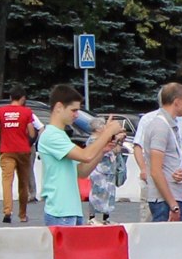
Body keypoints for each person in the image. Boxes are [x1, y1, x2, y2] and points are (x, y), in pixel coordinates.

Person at [37, 85, 123, 227]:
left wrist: (102, 150)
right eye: (74, 110)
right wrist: (107, 133)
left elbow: (82, 171)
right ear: (59, 107)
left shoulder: (60, 135)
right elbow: (86, 155)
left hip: (70, 210)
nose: (76, 115)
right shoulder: (51, 135)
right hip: (60, 211)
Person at [145, 83, 182, 222]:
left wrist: (178, 173)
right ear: (177, 102)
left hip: (170, 197)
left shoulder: (169, 124)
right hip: (164, 201)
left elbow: (165, 164)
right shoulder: (160, 127)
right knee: (167, 242)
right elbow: (155, 170)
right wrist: (173, 205)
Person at [0, 85, 37, 223]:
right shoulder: (26, 112)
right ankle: (22, 215)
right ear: (23, 98)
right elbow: (32, 132)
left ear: (10, 97)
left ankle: (7, 212)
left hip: (6, 150)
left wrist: (4, 140)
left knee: (7, 182)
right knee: (23, 183)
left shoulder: (1, 111)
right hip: (23, 151)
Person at [85, 117, 128, 224]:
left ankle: (106, 218)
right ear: (97, 128)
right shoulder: (93, 140)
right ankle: (92, 217)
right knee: (96, 193)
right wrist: (115, 137)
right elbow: (99, 148)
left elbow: (115, 151)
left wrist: (119, 141)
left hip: (109, 171)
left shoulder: (106, 140)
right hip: (98, 170)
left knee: (109, 194)